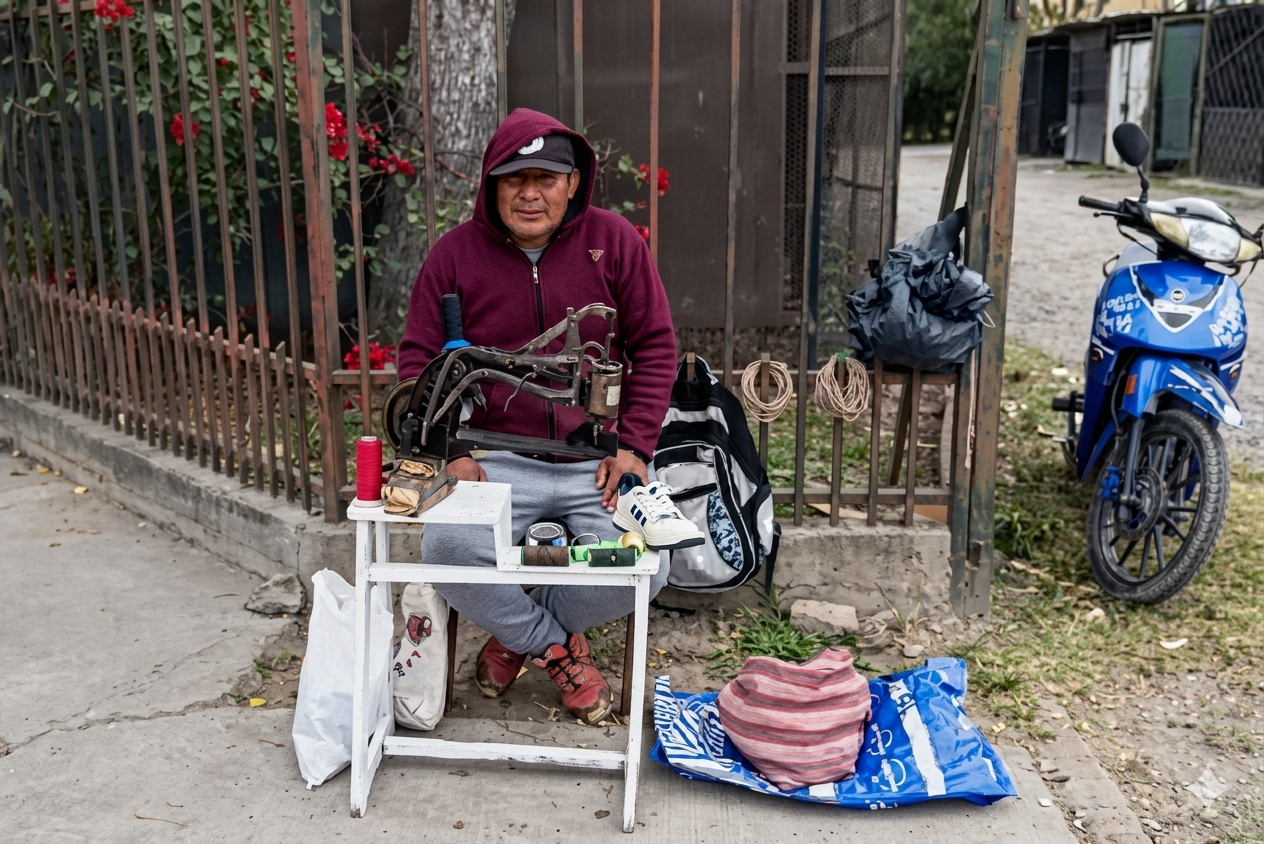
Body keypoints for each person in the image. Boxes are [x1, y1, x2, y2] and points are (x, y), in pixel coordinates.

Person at [397, 109, 678, 725]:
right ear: (491, 185)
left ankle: (516, 634)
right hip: (495, 462)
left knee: (649, 564)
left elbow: (656, 346)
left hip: (595, 464)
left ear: (573, 182)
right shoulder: (455, 257)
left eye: (547, 177)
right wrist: (454, 453)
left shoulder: (617, 245)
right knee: (445, 545)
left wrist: (633, 446)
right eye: (513, 179)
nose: (530, 193)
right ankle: (553, 649)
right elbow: (420, 363)